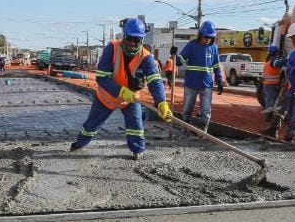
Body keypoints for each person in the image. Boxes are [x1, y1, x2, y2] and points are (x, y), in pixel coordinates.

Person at [70, 18, 172, 159]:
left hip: (131, 99)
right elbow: (102, 77)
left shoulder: (146, 57)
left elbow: (155, 80)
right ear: (124, 36)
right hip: (107, 98)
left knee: (136, 127)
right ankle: (79, 144)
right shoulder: (112, 48)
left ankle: (138, 151)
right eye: (129, 39)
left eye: (136, 40)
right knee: (91, 126)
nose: (132, 43)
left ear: (142, 40)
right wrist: (121, 91)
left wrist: (161, 102)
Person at [176, 20, 223, 133]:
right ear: (200, 34)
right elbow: (180, 61)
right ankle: (185, 131)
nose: (207, 40)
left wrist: (219, 80)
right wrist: (174, 56)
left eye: (210, 38)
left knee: (206, 111)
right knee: (187, 109)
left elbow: (216, 65)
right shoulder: (191, 45)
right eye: (205, 37)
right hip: (191, 84)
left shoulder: (214, 48)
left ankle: (202, 134)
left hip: (207, 85)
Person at [260, 44, 284, 117]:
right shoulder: (272, 61)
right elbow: (279, 63)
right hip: (270, 84)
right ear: (275, 53)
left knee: (269, 100)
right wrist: (287, 59)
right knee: (270, 101)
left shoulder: (267, 60)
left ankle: (268, 115)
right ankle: (268, 116)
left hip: (268, 84)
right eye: (277, 53)